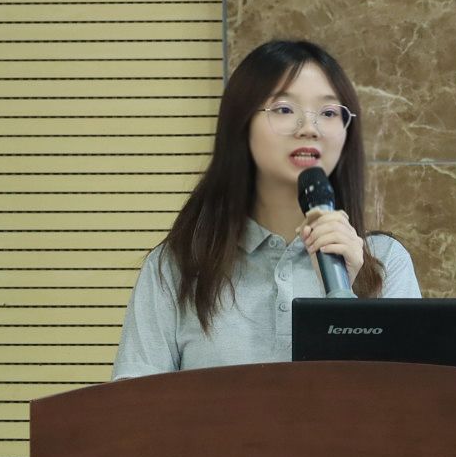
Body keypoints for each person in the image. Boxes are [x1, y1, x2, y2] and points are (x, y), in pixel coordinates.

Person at [112, 39, 420, 378]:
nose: (309, 128)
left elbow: (407, 403)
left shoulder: (385, 261)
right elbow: (132, 406)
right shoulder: (177, 267)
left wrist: (348, 296)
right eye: (284, 109)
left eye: (329, 113)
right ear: (241, 124)